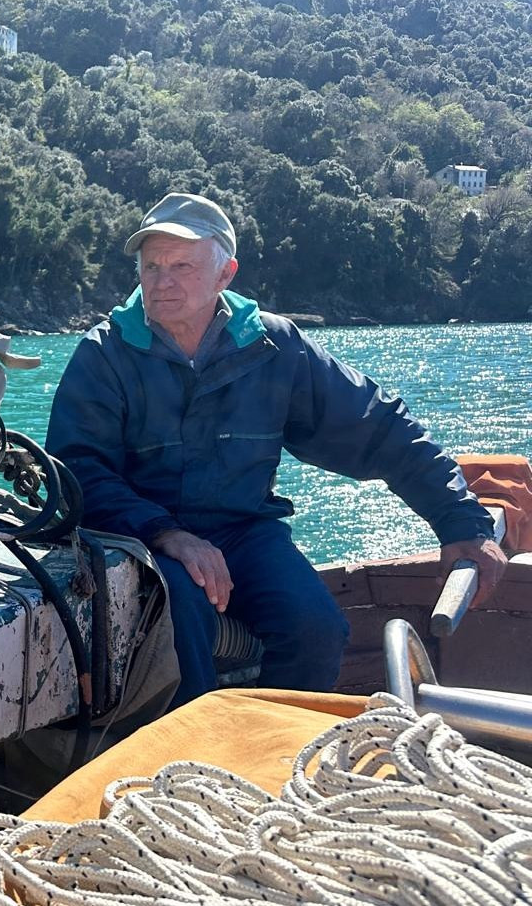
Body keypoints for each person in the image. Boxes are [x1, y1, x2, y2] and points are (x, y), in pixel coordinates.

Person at [45, 192, 508, 706]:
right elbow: (76, 468)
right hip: (139, 539)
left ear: (226, 274)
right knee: (178, 621)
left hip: (243, 529)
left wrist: (459, 520)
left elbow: (378, 429)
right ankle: (183, 762)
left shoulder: (272, 347)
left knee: (315, 626)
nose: (161, 280)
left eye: (181, 265)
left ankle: (269, 746)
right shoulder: (105, 353)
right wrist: (165, 533)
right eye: (151, 265)